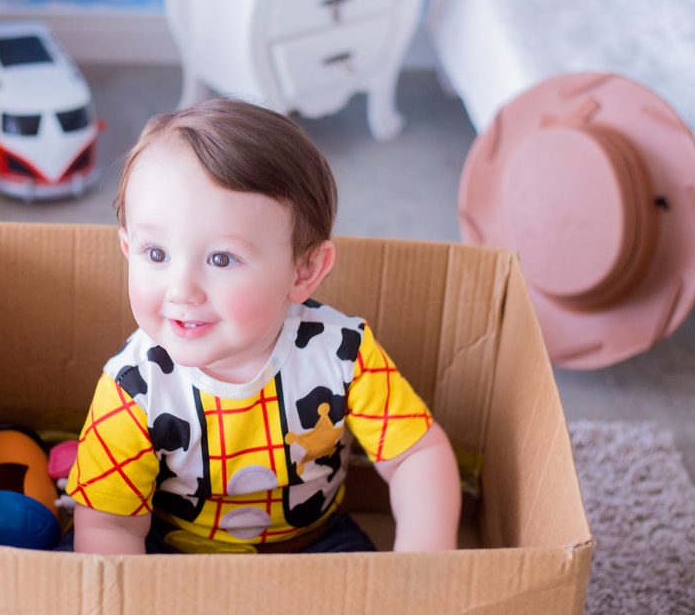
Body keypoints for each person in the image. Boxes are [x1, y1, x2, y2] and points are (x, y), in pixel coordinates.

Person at [62, 98, 461, 555]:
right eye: (156, 254)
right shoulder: (134, 387)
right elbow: (109, 528)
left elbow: (416, 454)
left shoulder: (341, 354)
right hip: (172, 552)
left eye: (221, 258)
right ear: (127, 247)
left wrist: (424, 562)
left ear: (304, 271)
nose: (181, 290)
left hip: (313, 546)